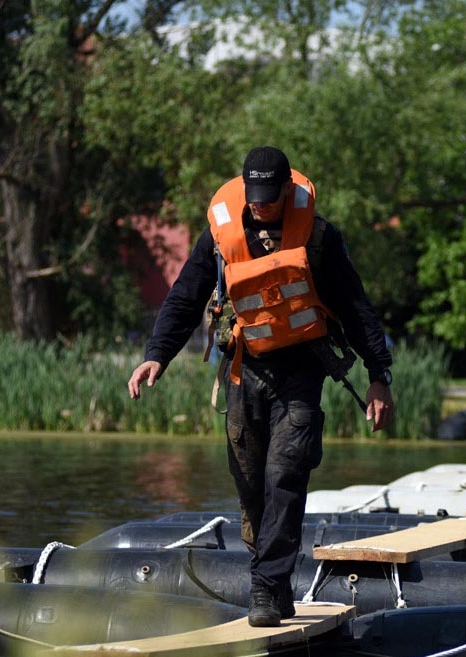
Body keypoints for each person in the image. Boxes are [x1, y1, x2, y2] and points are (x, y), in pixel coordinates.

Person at [127, 146, 395, 627]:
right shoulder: (220, 235)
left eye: (270, 198)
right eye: (254, 196)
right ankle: (271, 581)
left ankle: (267, 590)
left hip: (301, 370)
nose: (259, 205)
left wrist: (380, 377)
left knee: (285, 476)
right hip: (243, 369)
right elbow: (185, 296)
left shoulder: (318, 238)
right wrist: (156, 356)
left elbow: (356, 310)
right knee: (251, 487)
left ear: (288, 191)